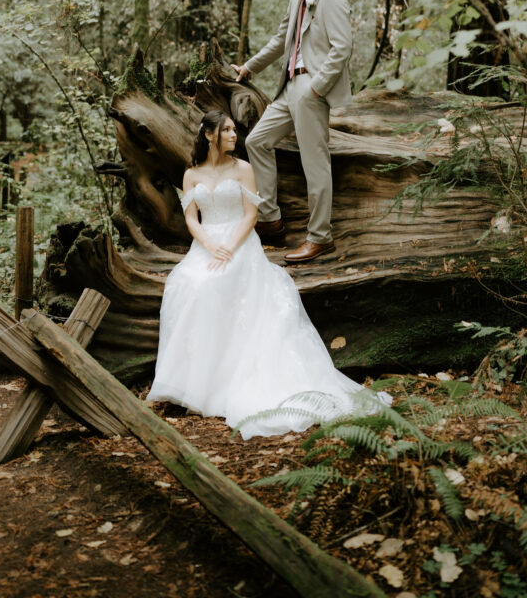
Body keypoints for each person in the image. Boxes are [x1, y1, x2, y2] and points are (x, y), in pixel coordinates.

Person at [146, 110, 391, 439]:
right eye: (228, 130)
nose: (235, 135)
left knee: (224, 282)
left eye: (235, 130)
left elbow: (251, 214)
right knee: (186, 284)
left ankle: (231, 378)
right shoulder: (191, 175)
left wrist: (231, 245)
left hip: (242, 243)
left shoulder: (244, 168)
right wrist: (208, 242)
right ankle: (194, 383)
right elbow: (191, 218)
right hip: (205, 245)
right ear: (209, 135)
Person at [232, 0, 351, 264]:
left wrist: (317, 87)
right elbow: (280, 40)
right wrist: (249, 66)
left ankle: (320, 238)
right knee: (257, 140)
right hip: (288, 86)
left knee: (315, 165)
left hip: (311, 88)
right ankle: (270, 218)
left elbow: (342, 47)